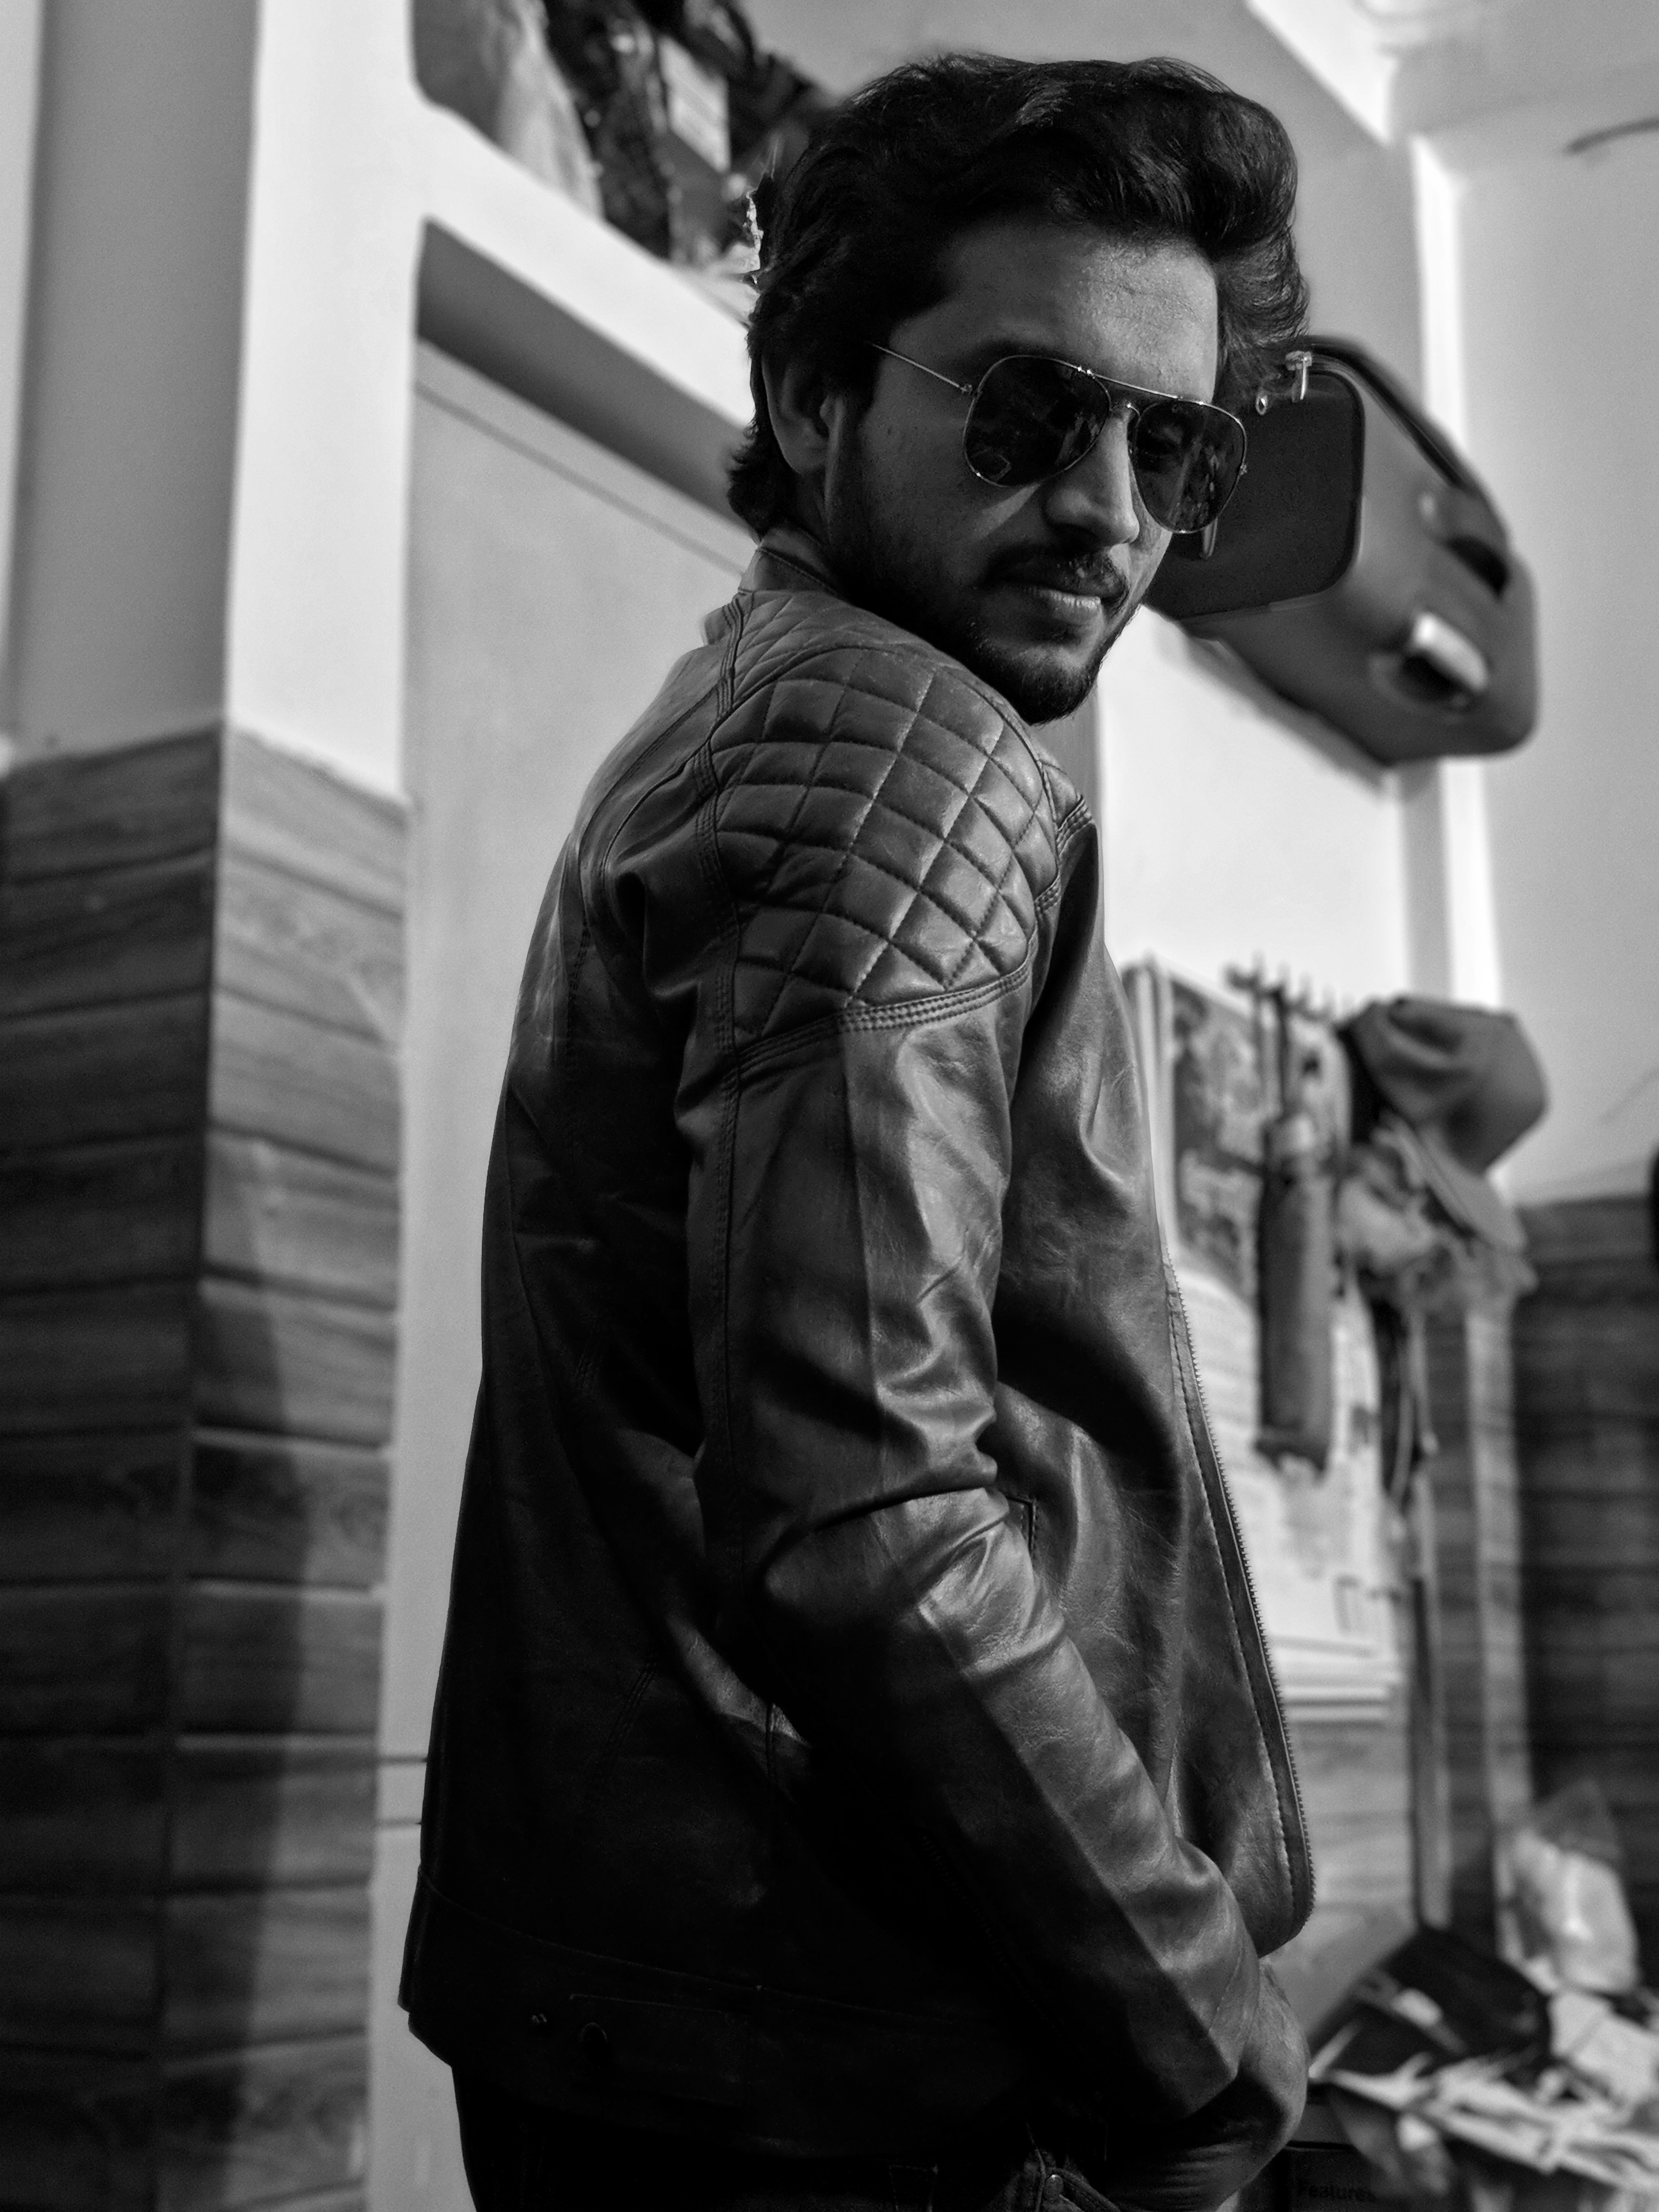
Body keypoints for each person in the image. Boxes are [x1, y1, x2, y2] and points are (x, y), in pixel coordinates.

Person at [402, 51, 1315, 2212]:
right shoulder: (898, 748)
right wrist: (1192, 2022)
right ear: (815, 398)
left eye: (1171, 445)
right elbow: (870, 1514)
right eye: (1028, 412)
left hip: (698, 2024)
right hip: (847, 2057)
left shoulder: (760, 708)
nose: (1108, 506)